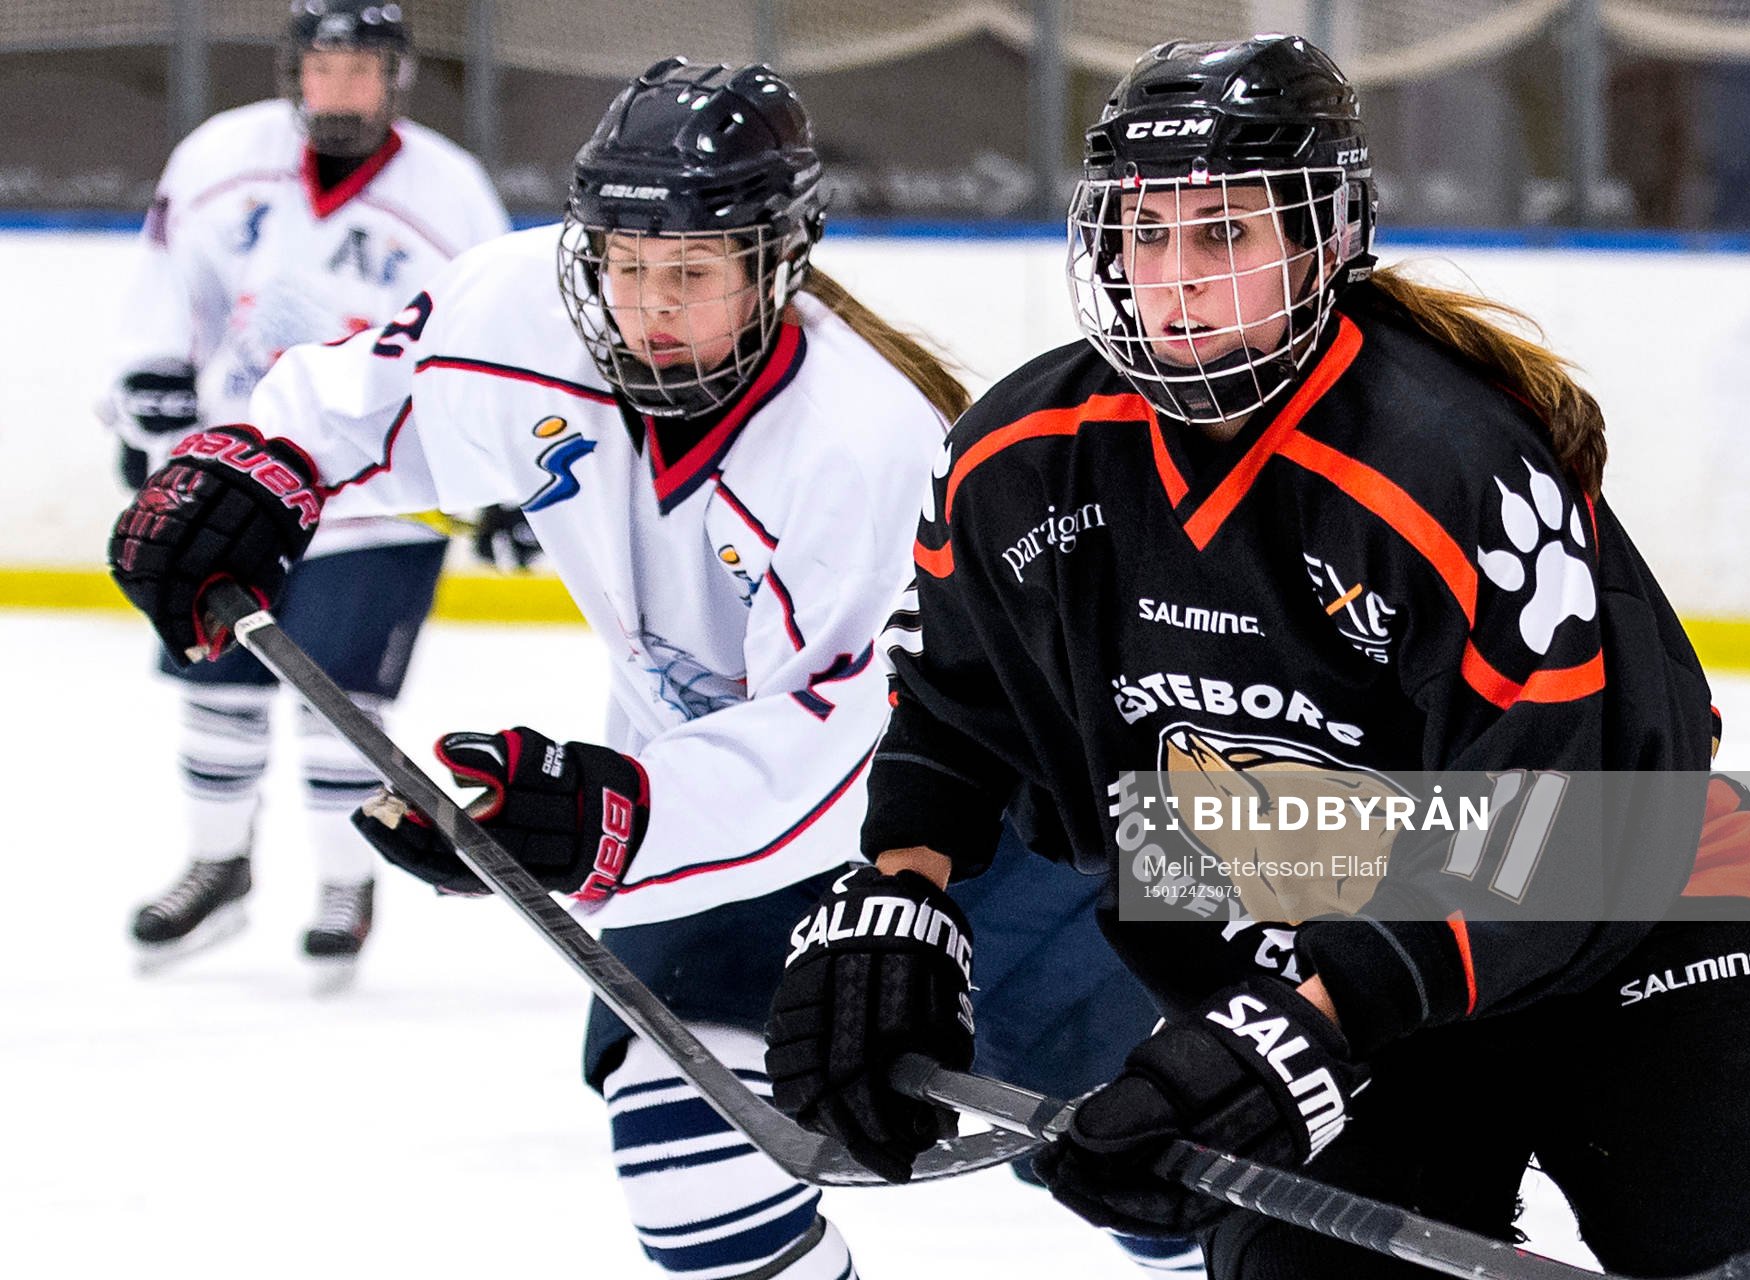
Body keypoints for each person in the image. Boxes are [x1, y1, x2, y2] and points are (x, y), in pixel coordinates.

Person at [761, 34, 1750, 1280]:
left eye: (1223, 234)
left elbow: (1567, 823)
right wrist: (904, 900)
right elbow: (959, 715)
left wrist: (1293, 1032)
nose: (1173, 281)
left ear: (1327, 239)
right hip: (1338, 995)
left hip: (1635, 938)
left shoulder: (1443, 461)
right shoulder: (1020, 461)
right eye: (1143, 232)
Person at [107, 57, 1186, 1280]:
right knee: (687, 1181)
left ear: (774, 265)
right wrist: (261, 462)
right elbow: (369, 398)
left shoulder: (862, 439)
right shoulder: (529, 304)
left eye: (690, 272)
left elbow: (854, 746)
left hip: (999, 827)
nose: (647, 305)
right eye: (623, 263)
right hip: (721, 827)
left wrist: (609, 811)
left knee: (1146, 1161)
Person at [110, 0, 510, 976]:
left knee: (338, 699)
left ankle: (345, 878)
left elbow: (497, 336)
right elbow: (166, 282)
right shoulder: (220, 156)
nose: (339, 89)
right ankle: (217, 865)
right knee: (218, 685)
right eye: (323, 69)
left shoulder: (448, 189)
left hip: (378, 496)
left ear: (395, 78)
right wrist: (145, 395)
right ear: (295, 72)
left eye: (361, 70)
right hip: (239, 481)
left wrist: (503, 474)